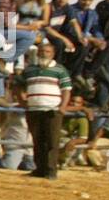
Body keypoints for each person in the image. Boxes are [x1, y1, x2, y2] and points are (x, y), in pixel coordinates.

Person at [18, 40, 71, 180]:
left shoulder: (60, 70)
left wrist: (62, 107)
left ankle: (51, 170)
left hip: (52, 109)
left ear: (53, 54)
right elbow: (18, 85)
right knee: (37, 140)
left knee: (52, 141)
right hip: (34, 108)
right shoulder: (29, 69)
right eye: (41, 51)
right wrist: (22, 101)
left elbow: (66, 89)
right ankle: (39, 169)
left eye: (47, 52)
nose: (43, 54)